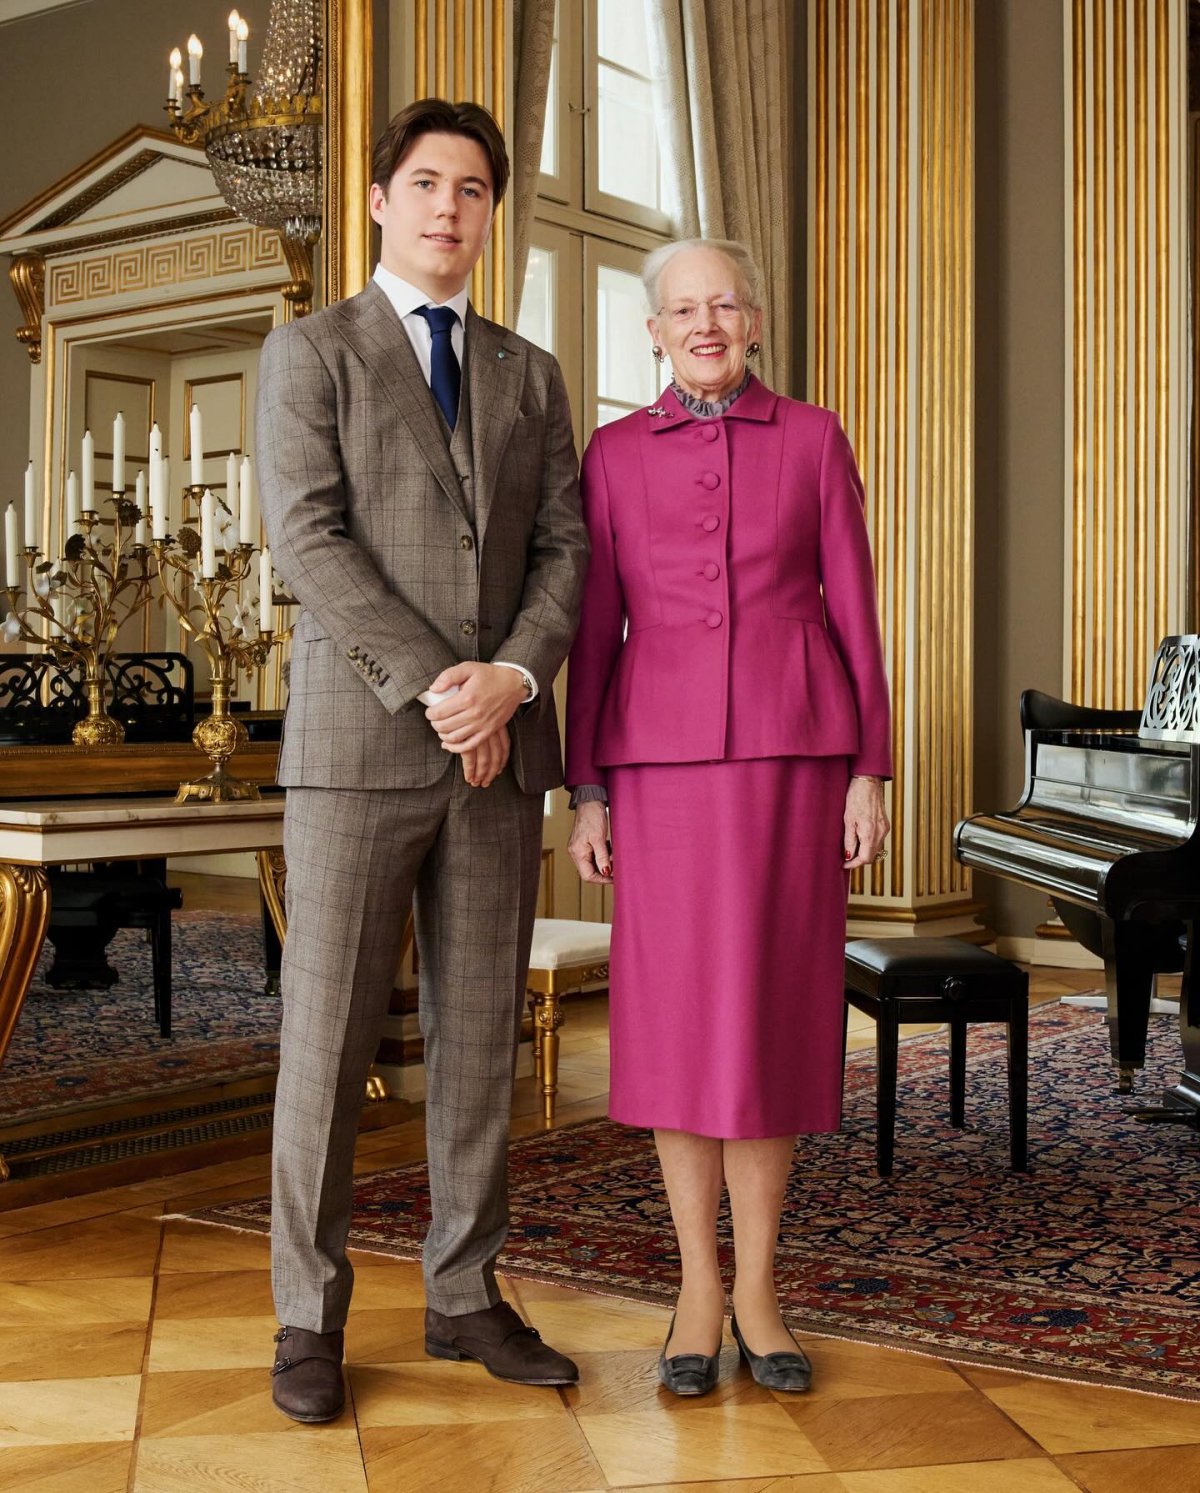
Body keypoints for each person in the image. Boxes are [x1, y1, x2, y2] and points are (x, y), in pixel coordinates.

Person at [256, 98, 589, 1422]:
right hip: (358, 748)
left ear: (489, 213)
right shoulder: (311, 353)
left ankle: (464, 1295)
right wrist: (443, 683)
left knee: (476, 1044)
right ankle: (306, 1316)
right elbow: (311, 540)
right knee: (327, 1045)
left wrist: (514, 675)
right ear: (382, 200)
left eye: (474, 191)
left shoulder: (531, 373)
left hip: (497, 753)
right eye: (428, 184)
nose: (452, 208)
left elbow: (565, 549)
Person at [565, 237, 891, 1396]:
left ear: (753, 322)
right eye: (682, 309)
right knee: (675, 1024)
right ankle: (693, 1287)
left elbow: (854, 603)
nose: (705, 325)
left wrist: (870, 768)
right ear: (652, 331)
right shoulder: (606, 456)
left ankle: (758, 1284)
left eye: (725, 305)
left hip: (797, 759)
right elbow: (595, 624)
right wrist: (587, 786)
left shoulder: (812, 436)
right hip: (654, 769)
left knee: (766, 1017)